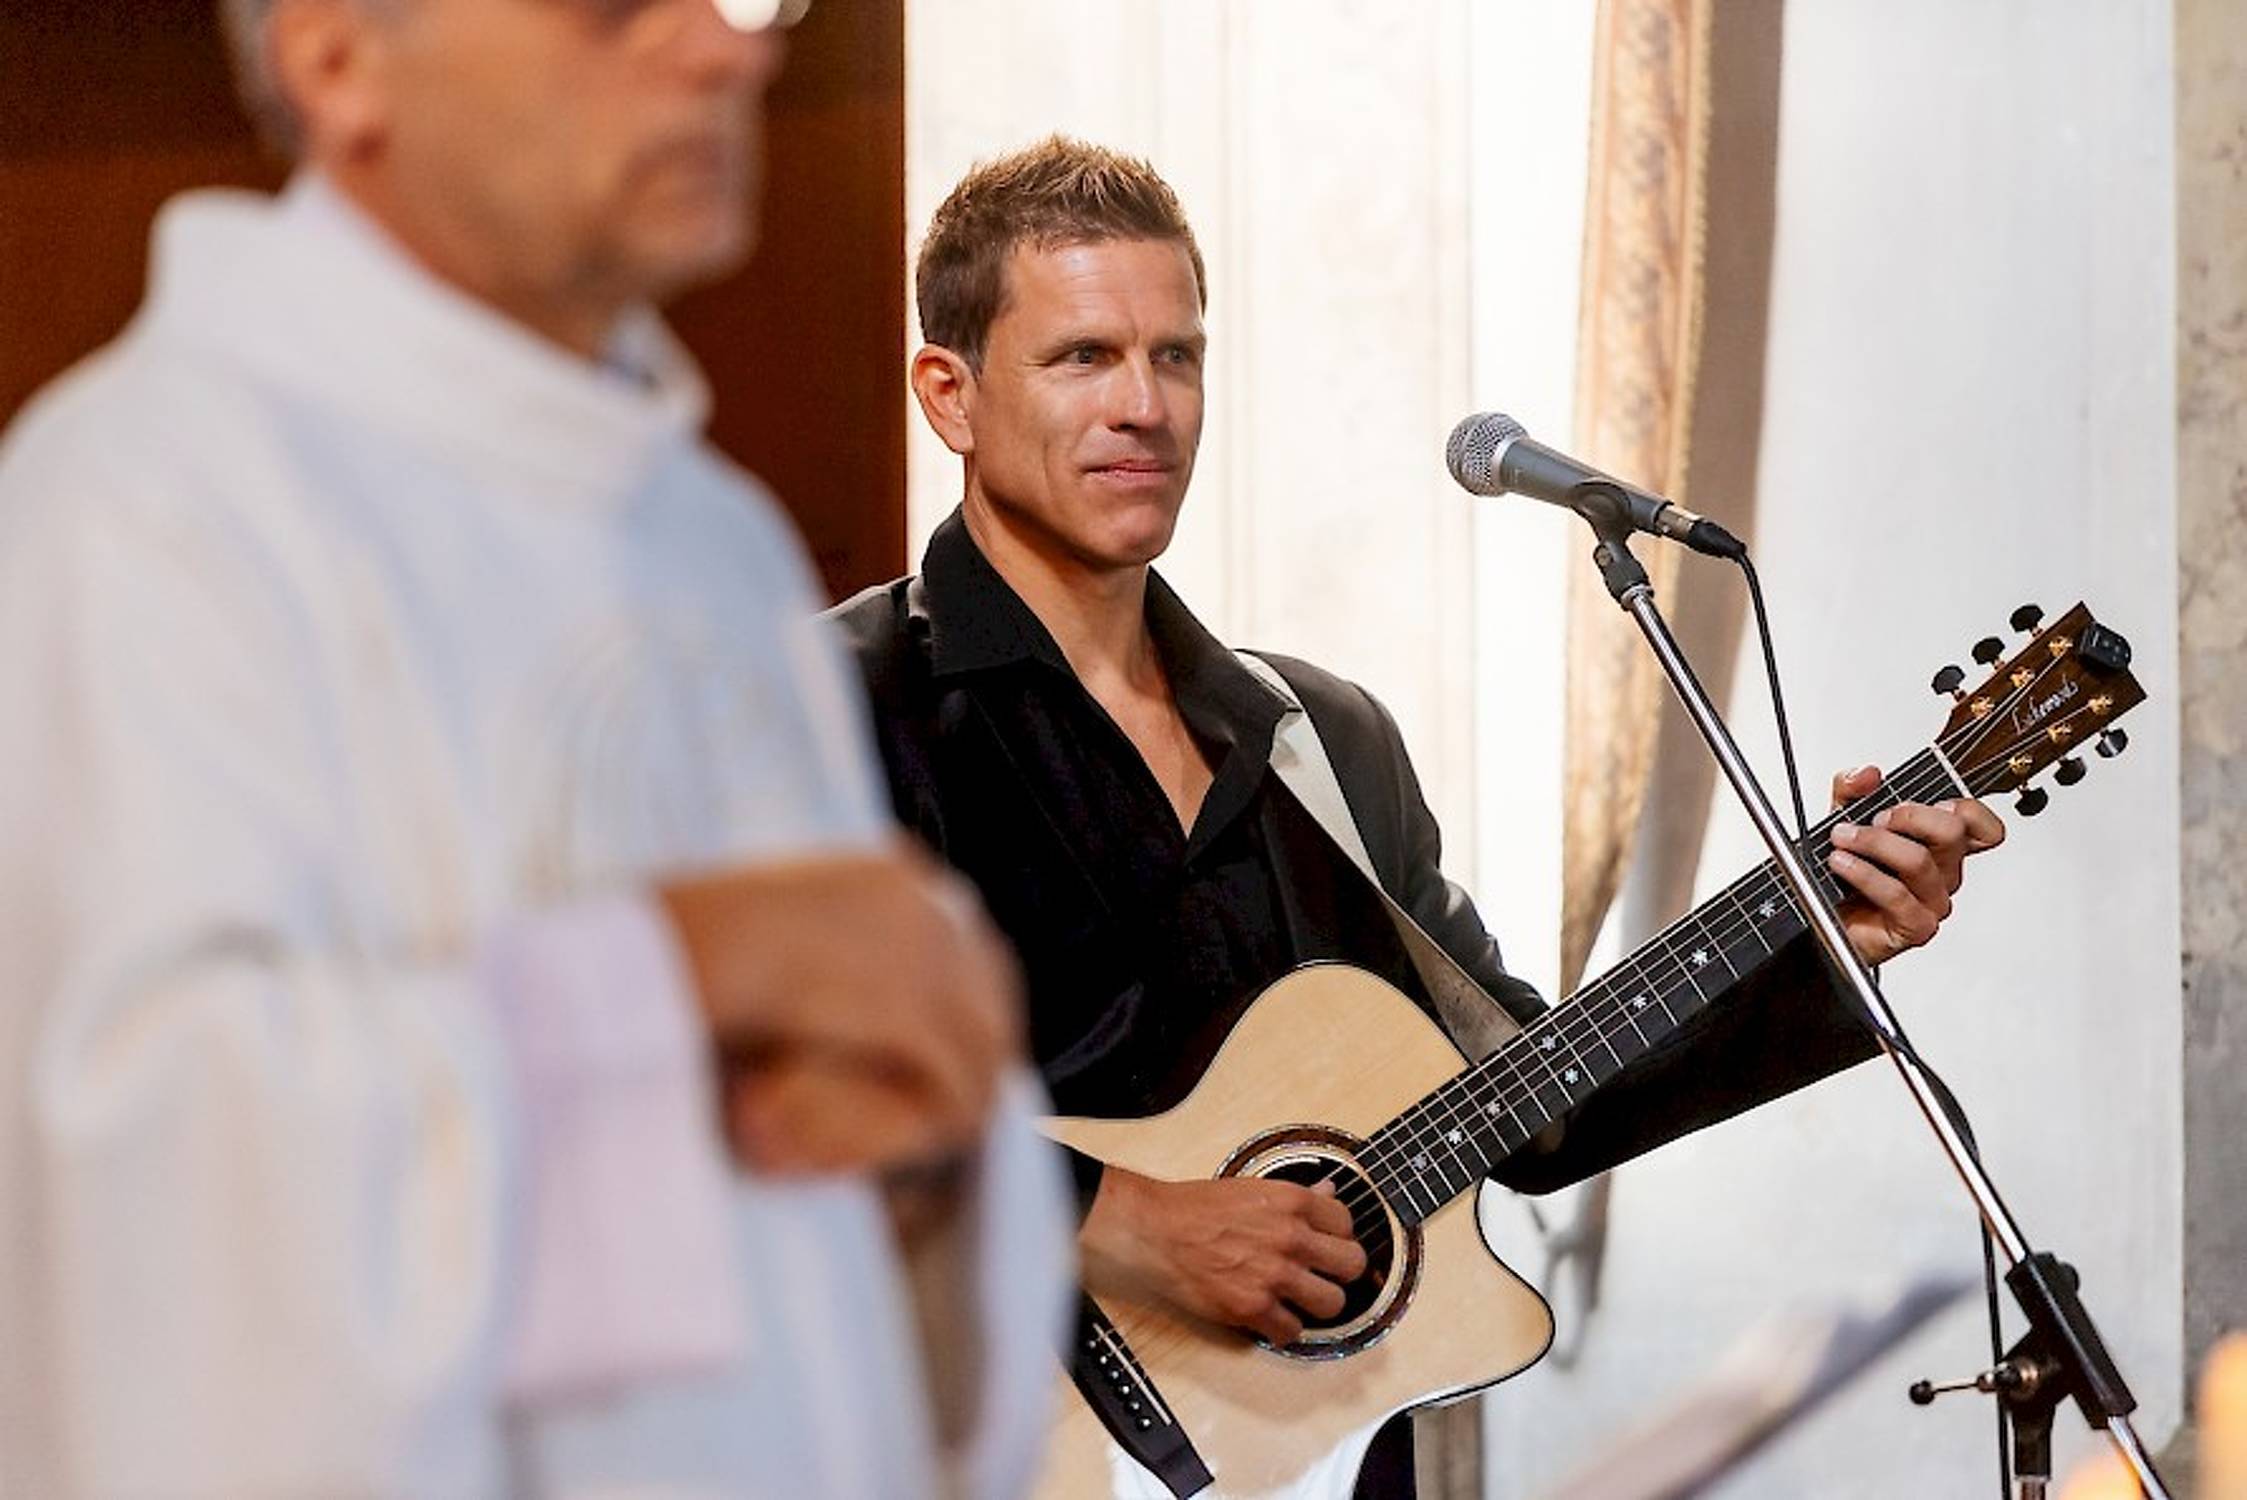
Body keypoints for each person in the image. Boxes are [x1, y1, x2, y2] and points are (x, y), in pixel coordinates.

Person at [830, 135, 2006, 1498]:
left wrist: (1823, 936)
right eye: (1083, 357)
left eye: (1178, 357)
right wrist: (1124, 1221)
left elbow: (1532, 1096)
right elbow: (741, 1086)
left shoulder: (1322, 737)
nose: (1144, 407)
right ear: (951, 394)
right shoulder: (830, 710)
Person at [0, 2, 1068, 1497]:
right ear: (338, 54)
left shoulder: (721, 546)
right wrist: (686, 973)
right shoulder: (143, 507)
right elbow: (150, 1238)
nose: (728, 49)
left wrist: (931, 1158)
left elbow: (859, 1236)